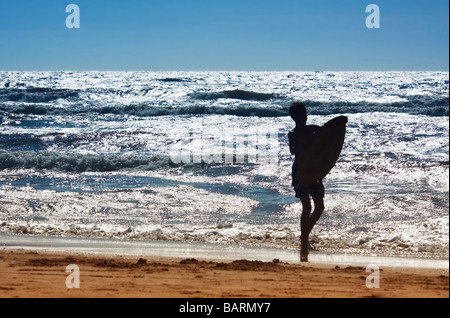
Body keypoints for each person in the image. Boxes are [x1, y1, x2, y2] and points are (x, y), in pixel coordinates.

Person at [288, 102, 325, 262]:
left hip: (314, 170)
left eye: (305, 113)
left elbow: (328, 137)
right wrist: (303, 144)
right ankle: (304, 240)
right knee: (307, 207)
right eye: (301, 114)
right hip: (300, 171)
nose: (304, 116)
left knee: (320, 206)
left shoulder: (313, 129)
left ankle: (304, 237)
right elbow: (292, 150)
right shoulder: (292, 134)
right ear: (294, 117)